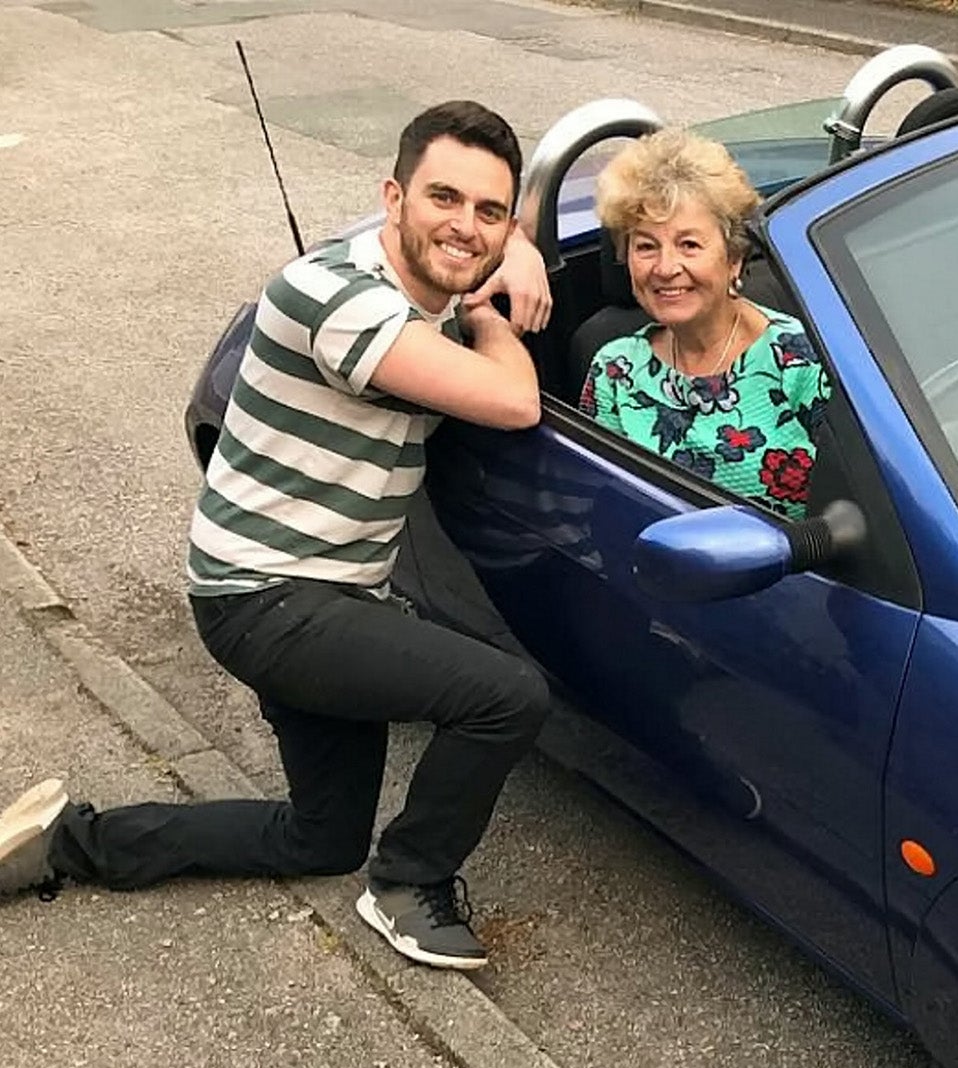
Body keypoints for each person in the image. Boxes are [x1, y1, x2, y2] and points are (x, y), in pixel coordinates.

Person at [0, 100, 556, 971]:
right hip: (269, 600)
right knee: (506, 696)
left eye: (489, 210)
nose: (465, 225)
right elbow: (516, 402)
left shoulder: (419, 278)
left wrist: (510, 250)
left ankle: (69, 844)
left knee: (319, 838)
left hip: (322, 594)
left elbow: (473, 249)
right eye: (443, 198)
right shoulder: (334, 298)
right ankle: (409, 884)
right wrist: (490, 315)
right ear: (392, 196)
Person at [578, 129, 828, 517]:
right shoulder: (615, 370)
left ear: (734, 259)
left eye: (689, 245)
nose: (665, 268)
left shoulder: (801, 361)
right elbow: (602, 506)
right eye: (645, 246)